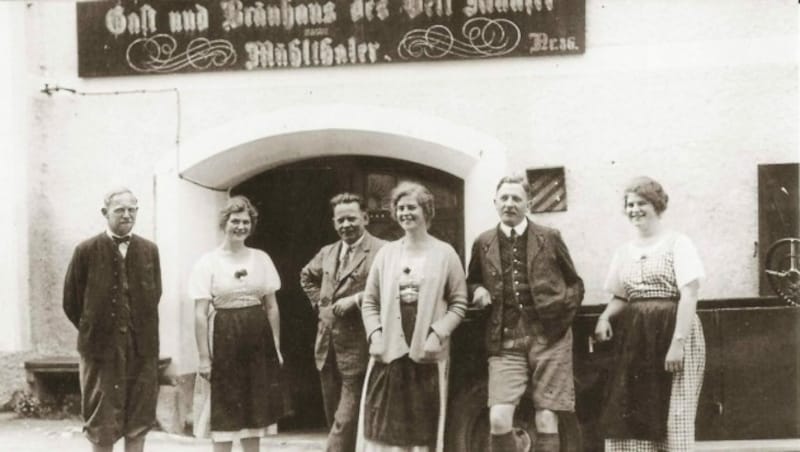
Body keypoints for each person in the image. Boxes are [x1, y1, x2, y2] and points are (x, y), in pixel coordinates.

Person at [467, 175, 585, 452]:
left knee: (546, 417)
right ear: (495, 202)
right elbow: (472, 279)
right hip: (505, 341)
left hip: (550, 339)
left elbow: (575, 284)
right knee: (498, 418)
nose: (510, 204)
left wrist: (560, 318)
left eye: (516, 198)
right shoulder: (483, 242)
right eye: (504, 198)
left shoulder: (550, 237)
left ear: (528, 203)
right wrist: (478, 291)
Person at [594, 177, 706, 452]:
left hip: (673, 332)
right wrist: (604, 317)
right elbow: (621, 295)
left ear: (657, 205)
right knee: (634, 405)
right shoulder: (624, 252)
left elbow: (689, 293)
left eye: (641, 203)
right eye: (629, 204)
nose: (634, 209)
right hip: (635, 338)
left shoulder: (678, 243)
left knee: (674, 407)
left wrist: (677, 344)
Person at [357, 181, 468, 452]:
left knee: (422, 431)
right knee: (385, 430)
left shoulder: (445, 253)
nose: (406, 213)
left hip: (426, 353)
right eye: (401, 207)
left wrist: (438, 333)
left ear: (427, 210)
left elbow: (459, 302)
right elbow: (369, 301)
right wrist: (376, 334)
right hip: (390, 351)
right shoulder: (386, 254)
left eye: (412, 207)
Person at [63, 188, 162, 452]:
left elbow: (155, 295)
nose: (127, 215)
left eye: (132, 209)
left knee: (139, 419)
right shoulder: (85, 251)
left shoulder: (149, 250)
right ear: (105, 213)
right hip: (100, 350)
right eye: (120, 210)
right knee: (101, 422)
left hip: (142, 349)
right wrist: (96, 330)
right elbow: (71, 302)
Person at [188, 195, 289, 452]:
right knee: (224, 404)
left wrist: (275, 346)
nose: (240, 227)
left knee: (254, 405)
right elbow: (200, 313)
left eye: (246, 222)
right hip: (223, 335)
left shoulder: (261, 258)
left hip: (257, 339)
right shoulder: (208, 262)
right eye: (235, 221)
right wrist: (203, 357)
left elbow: (272, 306)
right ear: (225, 223)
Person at [300, 193, 387, 452]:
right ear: (334, 223)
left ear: (365, 217)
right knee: (335, 419)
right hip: (326, 348)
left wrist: (357, 300)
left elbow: (389, 286)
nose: (346, 225)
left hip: (359, 347)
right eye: (340, 220)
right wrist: (320, 304)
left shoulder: (383, 251)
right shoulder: (328, 252)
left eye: (351, 218)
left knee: (345, 419)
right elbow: (306, 276)